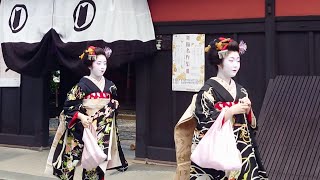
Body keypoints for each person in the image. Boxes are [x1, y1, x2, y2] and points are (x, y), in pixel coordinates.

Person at [174, 37, 268, 180]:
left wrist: (248, 111)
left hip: (241, 146)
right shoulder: (207, 90)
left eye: (238, 60)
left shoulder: (241, 91)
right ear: (219, 62)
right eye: (231, 61)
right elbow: (203, 122)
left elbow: (250, 127)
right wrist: (230, 111)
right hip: (217, 148)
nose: (236, 65)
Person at [45, 46, 128, 180]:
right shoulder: (82, 86)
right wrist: (81, 116)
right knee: (69, 161)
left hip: (101, 130)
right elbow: (68, 106)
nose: (102, 67)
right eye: (98, 63)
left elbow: (114, 102)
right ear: (90, 65)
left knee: (95, 160)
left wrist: (114, 105)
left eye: (105, 63)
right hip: (81, 127)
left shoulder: (110, 86)